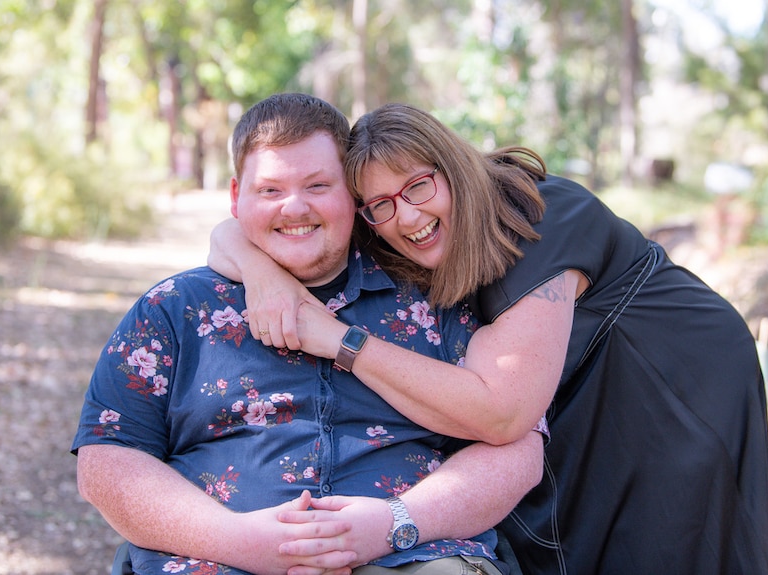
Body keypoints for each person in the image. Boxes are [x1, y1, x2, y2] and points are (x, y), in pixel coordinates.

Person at [209, 102, 768, 574]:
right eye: (381, 204)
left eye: (419, 186)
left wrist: (339, 340)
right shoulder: (393, 229)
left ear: (451, 168)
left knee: (666, 540)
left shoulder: (543, 218)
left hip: (670, 372)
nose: (406, 218)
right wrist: (262, 275)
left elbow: (503, 411)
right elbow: (234, 231)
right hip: (569, 383)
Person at [72, 93, 547, 575]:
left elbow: (517, 448)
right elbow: (106, 462)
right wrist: (240, 542)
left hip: (411, 555)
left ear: (353, 196)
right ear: (237, 198)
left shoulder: (434, 298)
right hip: (216, 560)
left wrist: (396, 523)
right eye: (271, 191)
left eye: (318, 185)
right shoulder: (175, 310)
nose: (294, 207)